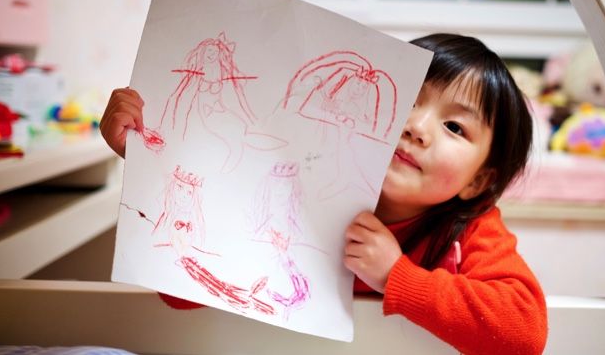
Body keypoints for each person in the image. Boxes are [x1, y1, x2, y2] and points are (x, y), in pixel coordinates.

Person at [100, 33, 547, 355]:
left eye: (454, 126)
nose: (417, 126)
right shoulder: (295, 187)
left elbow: (524, 334)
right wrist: (151, 163)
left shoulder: (471, 229)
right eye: (409, 99)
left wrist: (397, 277)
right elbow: (180, 293)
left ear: (478, 182)